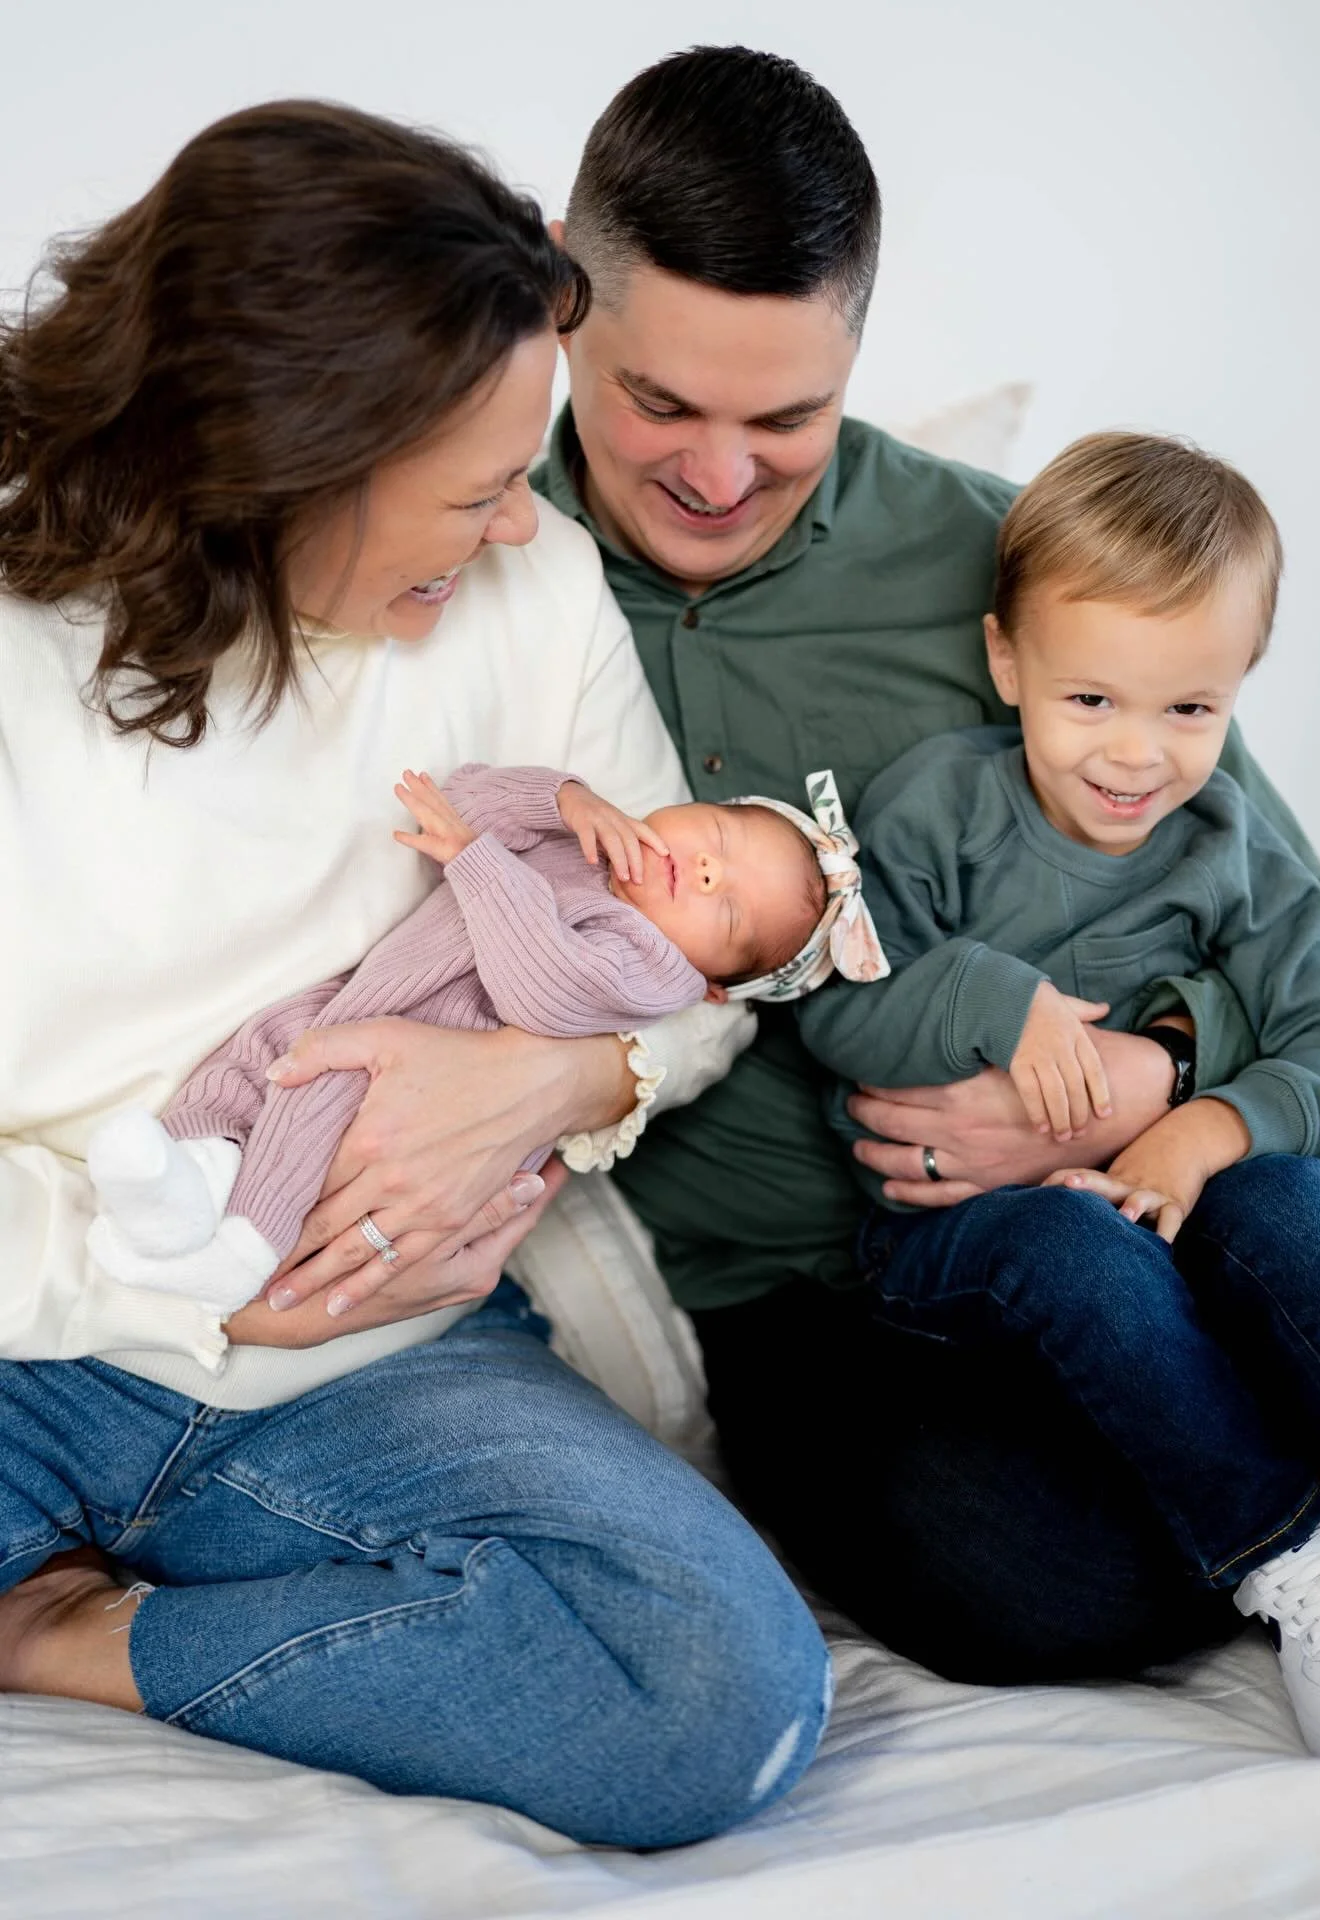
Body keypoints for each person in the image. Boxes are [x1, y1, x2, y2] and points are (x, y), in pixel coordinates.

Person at [530, 43, 1320, 1682]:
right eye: (661, 403)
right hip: (820, 1294)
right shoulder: (476, 593)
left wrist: (1152, 1075)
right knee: (1048, 1585)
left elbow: (1281, 911)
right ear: (558, 301)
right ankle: (1296, 1490)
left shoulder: (998, 559)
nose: (718, 477)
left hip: (1156, 1151)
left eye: (787, 418)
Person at [0, 100, 831, 1848]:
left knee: (716, 1694)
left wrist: (565, 1077)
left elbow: (690, 970)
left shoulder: (539, 600)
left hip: (383, 1363)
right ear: (283, 463)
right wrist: (165, 1289)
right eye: (479, 491)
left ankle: (77, 1640)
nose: (527, 528)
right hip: (30, 1346)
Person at [798, 430, 1320, 1755]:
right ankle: (1295, 1561)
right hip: (958, 1236)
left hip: (1174, 1200)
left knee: (1300, 1201)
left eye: (1190, 710)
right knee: (1073, 1242)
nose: (1138, 756)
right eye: (1092, 700)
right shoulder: (936, 812)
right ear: (1007, 663)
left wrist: (1207, 1125)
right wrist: (995, 1000)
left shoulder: (1233, 850)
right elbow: (836, 1005)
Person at [83, 761, 835, 1315]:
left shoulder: (653, 969)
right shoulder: (588, 842)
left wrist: (479, 863)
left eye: (727, 911)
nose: (706, 871)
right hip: (360, 1003)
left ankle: (238, 1250)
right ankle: (179, 1180)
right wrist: (564, 798)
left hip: (423, 1074)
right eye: (719, 836)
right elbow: (466, 802)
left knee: (308, 1124)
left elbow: (544, 984)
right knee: (252, 1063)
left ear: (710, 985)